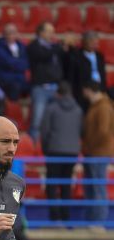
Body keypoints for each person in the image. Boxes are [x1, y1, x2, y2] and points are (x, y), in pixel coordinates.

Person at [39, 82, 82, 223]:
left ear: (58, 93)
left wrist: (46, 149)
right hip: (72, 152)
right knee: (66, 184)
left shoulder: (51, 108)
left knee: (52, 184)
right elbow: (81, 131)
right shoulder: (78, 110)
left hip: (54, 150)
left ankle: (54, 218)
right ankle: (66, 217)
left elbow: (44, 131)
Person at [27, 22, 68, 141]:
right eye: (49, 31)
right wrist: (59, 47)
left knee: (56, 120)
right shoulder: (34, 46)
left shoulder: (54, 47)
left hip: (55, 88)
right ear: (41, 32)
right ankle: (33, 148)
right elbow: (43, 56)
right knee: (37, 121)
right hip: (40, 88)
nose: (52, 34)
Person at [82, 81, 114, 225]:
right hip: (94, 153)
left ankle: (98, 222)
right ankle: (92, 221)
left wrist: (89, 146)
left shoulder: (103, 107)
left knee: (98, 188)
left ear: (89, 90)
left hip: (98, 153)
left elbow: (103, 131)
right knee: (92, 187)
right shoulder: (97, 106)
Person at [71, 32, 108, 112]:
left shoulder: (99, 56)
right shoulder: (76, 56)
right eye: (92, 42)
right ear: (85, 42)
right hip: (83, 92)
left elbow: (103, 73)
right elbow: (73, 76)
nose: (95, 45)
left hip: (99, 89)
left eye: (96, 42)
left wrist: (103, 89)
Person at [0, 24, 30, 100]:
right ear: (4, 34)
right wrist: (18, 64)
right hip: (4, 79)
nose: (11, 35)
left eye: (13, 32)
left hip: (19, 79)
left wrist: (16, 64)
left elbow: (26, 63)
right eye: (9, 33)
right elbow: (7, 62)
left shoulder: (22, 46)